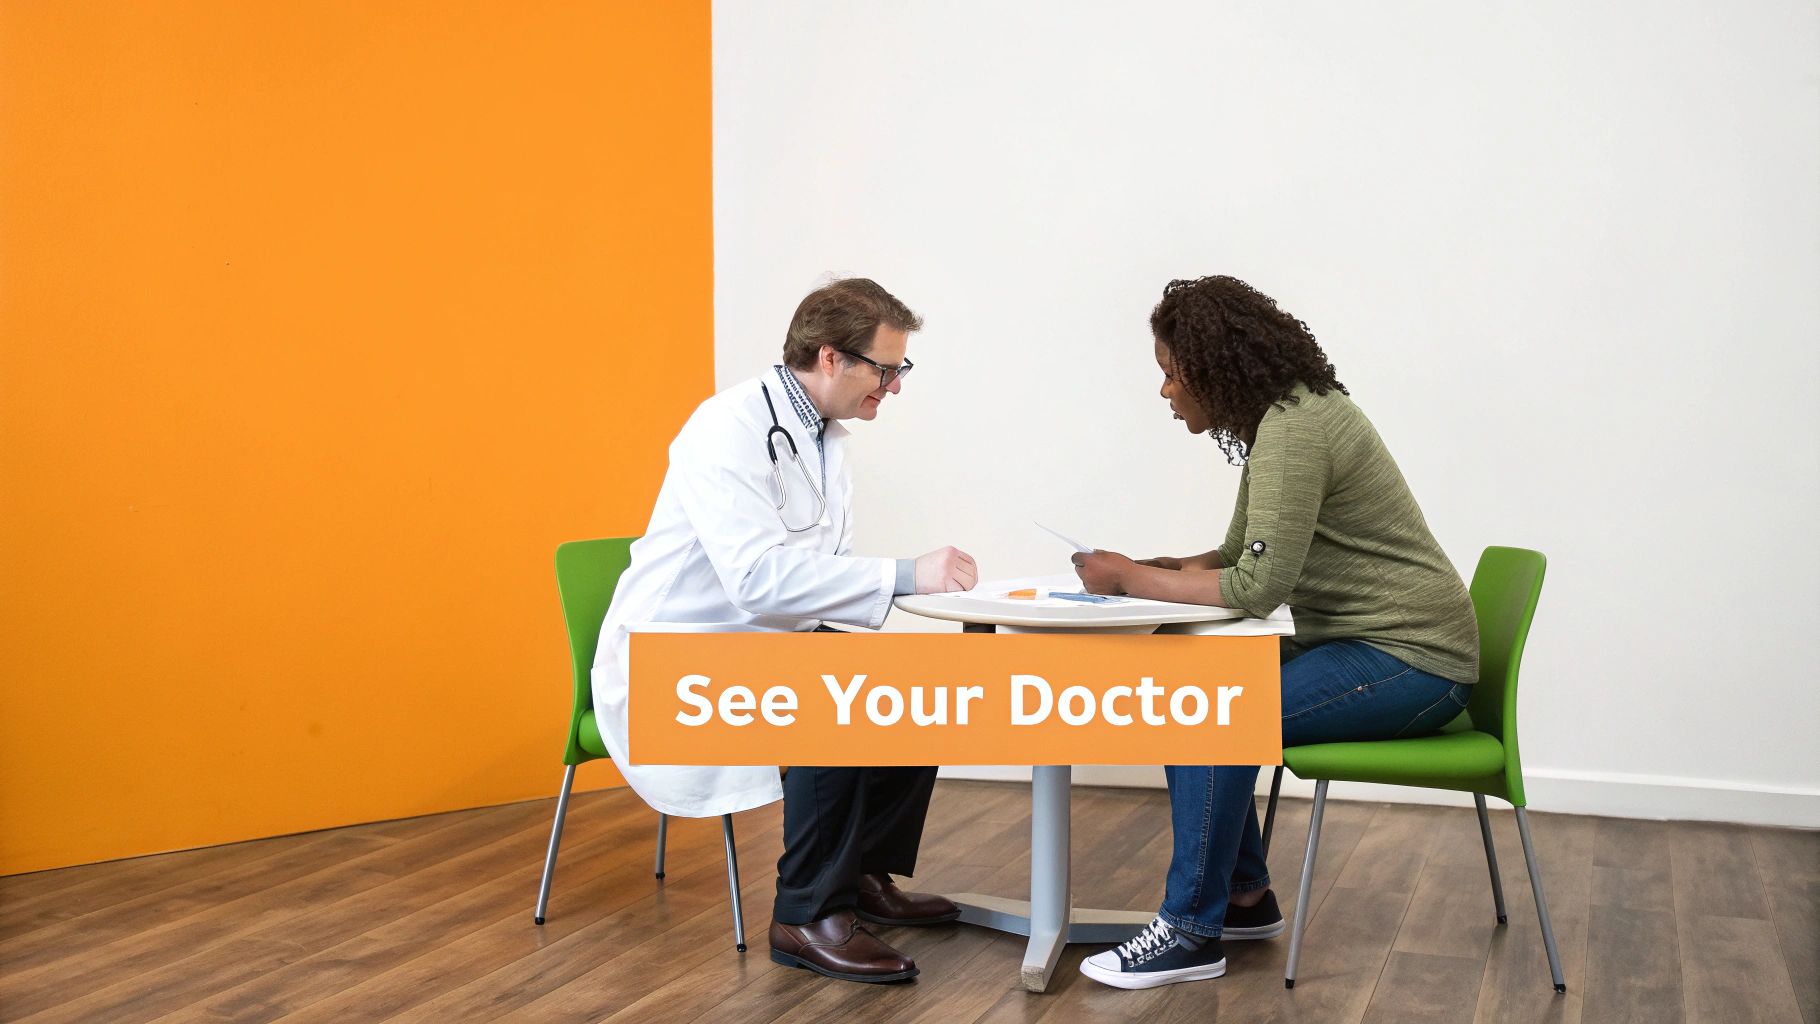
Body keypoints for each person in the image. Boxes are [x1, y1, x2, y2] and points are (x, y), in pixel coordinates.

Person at [1070, 276, 1480, 990]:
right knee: (1192, 687)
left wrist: (1134, 581)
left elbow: (1259, 588)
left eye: (1171, 374)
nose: (1166, 392)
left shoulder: (1297, 427)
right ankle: (1244, 896)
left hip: (1413, 660)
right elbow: (1239, 557)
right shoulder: (1283, 420)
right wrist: (1153, 566)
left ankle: (1191, 932)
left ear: (1211, 366)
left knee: (1212, 715)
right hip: (1367, 644)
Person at [590, 278, 977, 985]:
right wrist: (902, 575)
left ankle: (860, 875)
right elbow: (756, 580)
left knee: (912, 683)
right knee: (827, 696)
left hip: (756, 643)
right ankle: (805, 915)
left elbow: (807, 581)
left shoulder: (827, 438)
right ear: (831, 358)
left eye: (899, 371)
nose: (893, 388)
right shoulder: (725, 429)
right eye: (886, 370)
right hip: (671, 665)